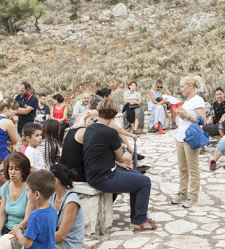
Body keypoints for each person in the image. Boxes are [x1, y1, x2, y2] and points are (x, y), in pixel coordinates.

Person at [83, 99, 156, 231]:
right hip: (104, 177)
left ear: (99, 111)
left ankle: (137, 215)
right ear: (114, 114)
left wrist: (115, 163)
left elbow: (100, 154)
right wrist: (117, 161)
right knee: (145, 182)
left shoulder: (90, 128)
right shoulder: (110, 133)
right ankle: (139, 221)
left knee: (138, 176)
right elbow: (120, 156)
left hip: (96, 173)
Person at [170, 76, 207, 208]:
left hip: (190, 138)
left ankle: (193, 196)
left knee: (193, 168)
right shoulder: (186, 101)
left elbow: (203, 120)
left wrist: (187, 116)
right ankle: (182, 192)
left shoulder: (198, 100)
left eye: (182, 87)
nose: (181, 89)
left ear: (190, 86)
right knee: (182, 168)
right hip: (180, 137)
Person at [61, 110, 98, 182]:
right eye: (95, 120)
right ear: (86, 118)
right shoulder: (84, 131)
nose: (97, 124)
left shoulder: (72, 129)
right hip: (76, 173)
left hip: (67, 170)